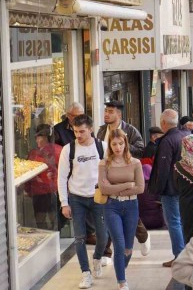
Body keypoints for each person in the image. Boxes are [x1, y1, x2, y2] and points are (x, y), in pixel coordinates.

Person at [57, 115, 108, 288]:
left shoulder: (102, 147)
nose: (78, 135)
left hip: (98, 196)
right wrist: (64, 202)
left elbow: (110, 172)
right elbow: (61, 177)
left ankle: (97, 257)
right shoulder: (68, 149)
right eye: (76, 131)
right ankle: (86, 273)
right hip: (76, 198)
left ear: (91, 129)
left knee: (103, 236)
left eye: (82, 131)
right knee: (79, 238)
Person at [97, 101, 150, 261]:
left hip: (126, 176)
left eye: (110, 111)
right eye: (106, 111)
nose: (106, 114)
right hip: (108, 176)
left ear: (119, 115)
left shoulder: (130, 130)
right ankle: (106, 251)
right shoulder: (101, 131)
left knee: (127, 215)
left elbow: (141, 149)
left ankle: (143, 235)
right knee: (108, 215)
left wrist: (124, 145)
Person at [98, 129, 145, 290]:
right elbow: (104, 188)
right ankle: (122, 282)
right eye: (114, 144)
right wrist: (126, 185)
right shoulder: (104, 163)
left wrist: (115, 188)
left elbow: (140, 188)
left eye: (120, 143)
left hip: (131, 206)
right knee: (119, 244)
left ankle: (120, 268)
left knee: (128, 247)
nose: (118, 147)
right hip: (112, 206)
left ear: (126, 144)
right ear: (110, 146)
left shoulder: (135, 163)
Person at [148, 109, 190, 267]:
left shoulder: (167, 141)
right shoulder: (184, 136)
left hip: (171, 189)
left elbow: (163, 168)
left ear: (163, 123)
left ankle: (179, 256)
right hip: (185, 186)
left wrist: (157, 189)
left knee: (173, 221)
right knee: (181, 221)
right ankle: (185, 254)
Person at [26, 128, 62, 230]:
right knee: (52, 215)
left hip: (43, 190)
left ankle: (48, 234)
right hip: (51, 189)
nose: (37, 140)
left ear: (46, 138)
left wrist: (28, 189)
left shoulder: (38, 153)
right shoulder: (59, 149)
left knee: (42, 216)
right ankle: (53, 235)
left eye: (38, 137)